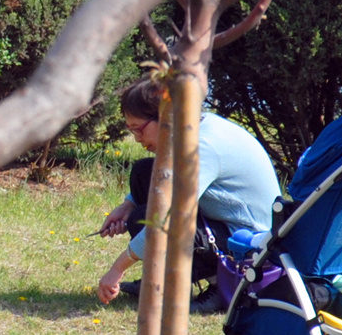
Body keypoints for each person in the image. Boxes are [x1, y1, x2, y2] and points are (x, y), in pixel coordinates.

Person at [94, 79, 279, 311]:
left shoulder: (201, 148)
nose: (137, 138)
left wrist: (117, 269)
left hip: (247, 243)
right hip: (223, 222)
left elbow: (165, 220)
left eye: (138, 129)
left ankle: (221, 285)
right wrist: (126, 205)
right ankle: (161, 281)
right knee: (144, 174)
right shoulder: (196, 126)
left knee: (143, 219)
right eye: (131, 130)